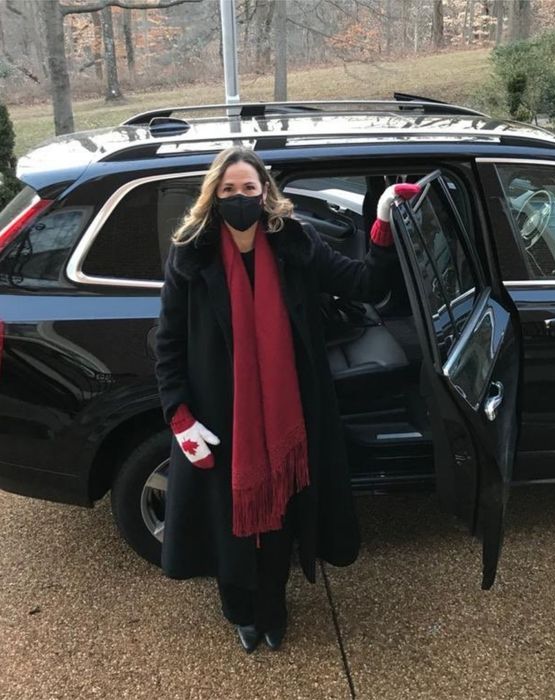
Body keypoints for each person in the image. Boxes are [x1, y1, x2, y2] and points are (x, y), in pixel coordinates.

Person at [154, 146, 420, 652]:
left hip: (288, 411)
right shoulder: (190, 253)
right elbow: (168, 342)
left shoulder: (296, 243)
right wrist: (180, 416)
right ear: (214, 195)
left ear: (265, 193)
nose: (239, 198)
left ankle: (273, 608)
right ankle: (240, 610)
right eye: (228, 190)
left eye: (248, 189)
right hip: (220, 415)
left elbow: (365, 283)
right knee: (231, 520)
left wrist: (384, 222)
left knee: (280, 516)